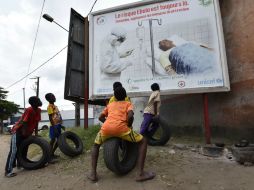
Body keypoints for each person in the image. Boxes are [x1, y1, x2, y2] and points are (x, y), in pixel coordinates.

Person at [88, 86, 155, 182]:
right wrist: (128, 125)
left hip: (105, 129)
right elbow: (131, 116)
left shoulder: (110, 105)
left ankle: (93, 174)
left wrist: (108, 123)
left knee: (95, 146)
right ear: (125, 96)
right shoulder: (128, 104)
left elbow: (100, 117)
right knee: (143, 141)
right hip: (121, 129)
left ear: (114, 97)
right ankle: (140, 174)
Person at [5, 96, 42, 177]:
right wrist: (25, 133)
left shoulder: (39, 110)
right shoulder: (29, 110)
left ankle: (20, 164)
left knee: (24, 149)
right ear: (33, 103)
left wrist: (35, 133)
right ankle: (8, 171)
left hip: (26, 132)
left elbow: (36, 122)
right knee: (14, 151)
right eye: (38, 100)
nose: (40, 101)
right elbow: (24, 122)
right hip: (18, 131)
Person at [45, 93, 64, 160]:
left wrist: (61, 124)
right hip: (54, 126)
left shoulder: (55, 106)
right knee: (53, 140)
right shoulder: (50, 106)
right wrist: (54, 127)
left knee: (59, 140)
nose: (55, 97)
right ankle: (49, 155)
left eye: (54, 96)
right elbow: (50, 117)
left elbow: (58, 115)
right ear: (49, 99)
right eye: (53, 97)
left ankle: (52, 153)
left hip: (58, 125)